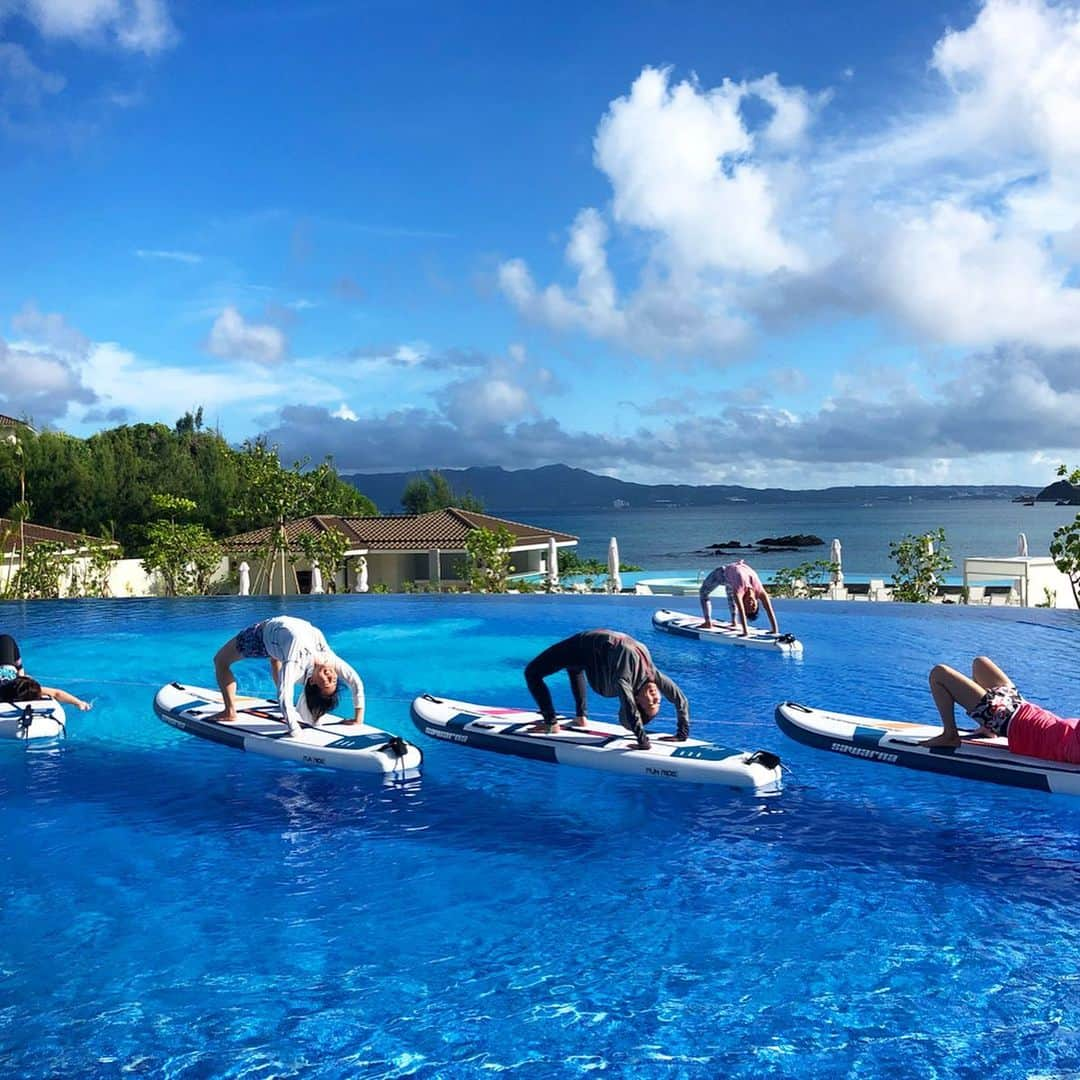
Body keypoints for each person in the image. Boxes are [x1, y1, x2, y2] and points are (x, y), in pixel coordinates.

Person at [524, 628, 689, 749]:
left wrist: (642, 742)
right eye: (657, 702)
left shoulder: (624, 678)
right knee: (572, 667)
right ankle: (580, 717)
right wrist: (682, 734)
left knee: (532, 673)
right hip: (584, 647)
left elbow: (629, 705)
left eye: (651, 703)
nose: (655, 697)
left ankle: (552, 723)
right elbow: (680, 699)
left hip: (584, 649)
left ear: (637, 698)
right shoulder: (654, 675)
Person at [212, 616, 364, 735]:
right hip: (276, 637)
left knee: (220, 660)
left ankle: (229, 711)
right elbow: (355, 681)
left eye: (327, 682)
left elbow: (284, 695)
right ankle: (231, 710)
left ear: (311, 681)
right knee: (275, 660)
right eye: (334, 680)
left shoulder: (295, 661)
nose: (331, 675)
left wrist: (294, 729)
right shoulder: (330, 660)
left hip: (259, 638)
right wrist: (358, 718)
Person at [922, 656, 1080, 763]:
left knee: (939, 674)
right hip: (1022, 705)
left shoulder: (1073, 750)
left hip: (1004, 719)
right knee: (980, 662)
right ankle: (987, 729)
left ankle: (950, 735)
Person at [0, 634, 92, 710]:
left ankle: (21, 673)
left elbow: (57, 693)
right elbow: (56, 693)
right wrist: (78, 703)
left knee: (6, 639)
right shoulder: (22, 690)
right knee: (6, 639)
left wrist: (78, 702)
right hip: (7, 660)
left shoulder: (22, 688)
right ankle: (21, 673)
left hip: (7, 656)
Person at [698, 559, 779, 636]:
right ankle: (708, 622)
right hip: (721, 573)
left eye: (748, 606)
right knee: (703, 592)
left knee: (732, 595)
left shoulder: (739, 591)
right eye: (753, 606)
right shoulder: (760, 591)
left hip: (732, 579)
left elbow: (741, 611)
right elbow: (769, 610)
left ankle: (734, 621)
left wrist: (774, 631)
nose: (751, 603)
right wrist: (775, 630)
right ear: (757, 602)